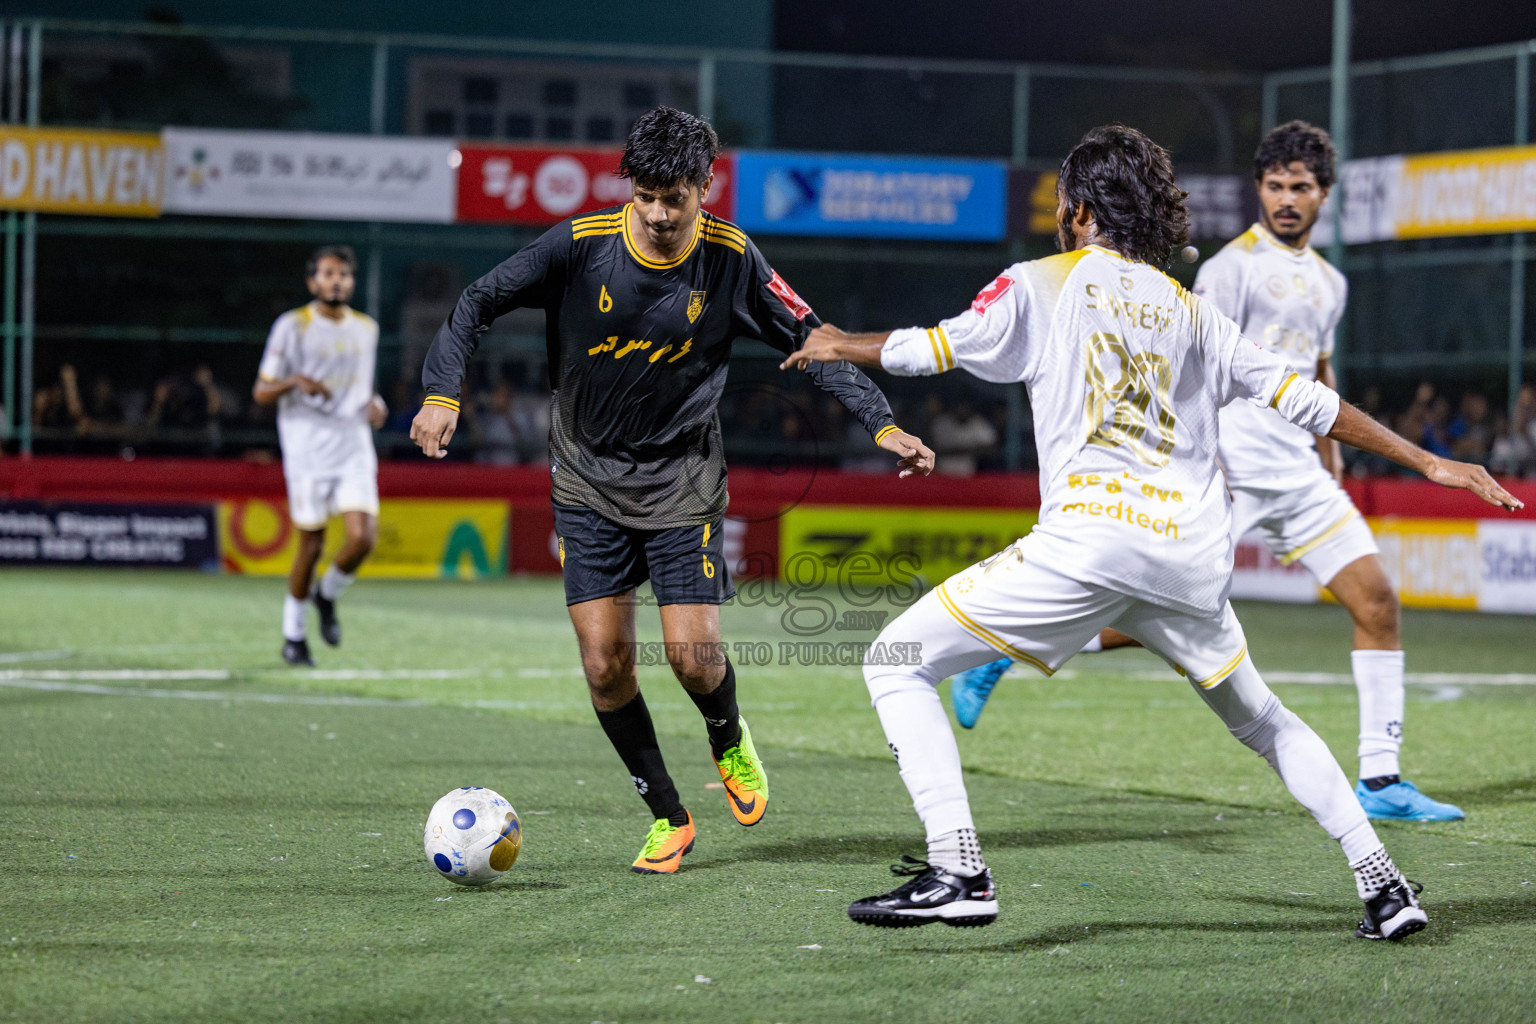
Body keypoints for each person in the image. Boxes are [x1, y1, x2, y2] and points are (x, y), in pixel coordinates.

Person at [782, 125, 1521, 938]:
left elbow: (931, 349)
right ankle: (1384, 886)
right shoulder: (1192, 309)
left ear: (1082, 211)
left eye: (1065, 205)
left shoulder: (1042, 281)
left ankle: (959, 868)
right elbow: (1309, 401)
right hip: (1189, 558)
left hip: (1091, 543)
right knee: (1265, 721)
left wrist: (834, 345)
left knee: (895, 661)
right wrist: (1429, 461)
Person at [410, 106, 934, 874]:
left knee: (693, 658)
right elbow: (474, 304)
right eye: (645, 196)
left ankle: (728, 738)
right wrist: (441, 392)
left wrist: (881, 423)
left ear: (705, 188)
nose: (657, 215)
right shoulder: (579, 246)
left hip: (682, 481)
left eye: (675, 198)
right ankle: (668, 815)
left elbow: (811, 341)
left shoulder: (732, 259)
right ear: (630, 187)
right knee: (604, 665)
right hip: (585, 478)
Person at [950, 122, 1467, 824]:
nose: (1288, 199)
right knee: (1165, 602)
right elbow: (1192, 363)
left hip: (1303, 479)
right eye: (1276, 185)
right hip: (1233, 468)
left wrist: (1332, 456)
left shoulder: (1332, 283)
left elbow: (1317, 367)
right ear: (1260, 188)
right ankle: (1006, 651)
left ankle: (1380, 780)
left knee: (1378, 603)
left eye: (1302, 188)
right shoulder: (1229, 270)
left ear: (1324, 196)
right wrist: (1204, 462)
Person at [252, 245, 387, 667]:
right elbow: (261, 390)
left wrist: (375, 403)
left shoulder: (367, 328)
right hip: (307, 447)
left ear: (351, 281)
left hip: (352, 443)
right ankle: (293, 636)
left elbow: (360, 385)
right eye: (327, 274)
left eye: (343, 274)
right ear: (313, 282)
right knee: (311, 545)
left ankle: (326, 595)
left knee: (362, 537)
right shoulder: (292, 326)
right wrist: (295, 381)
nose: (336, 281)